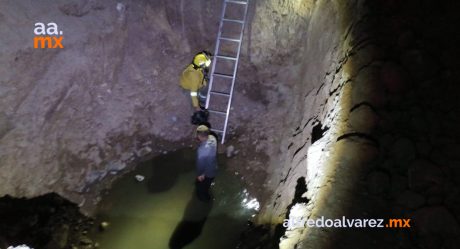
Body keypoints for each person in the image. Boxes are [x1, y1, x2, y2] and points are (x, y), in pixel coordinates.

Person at [195, 125, 218, 201]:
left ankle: (206, 200)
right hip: (213, 166)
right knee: (204, 184)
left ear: (199, 136)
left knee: (203, 189)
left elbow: (200, 166)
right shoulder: (212, 138)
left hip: (208, 173)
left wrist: (200, 174)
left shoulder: (201, 152)